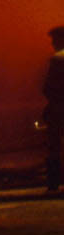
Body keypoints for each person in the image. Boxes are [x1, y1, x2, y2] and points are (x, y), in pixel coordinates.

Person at [43, 26, 64, 193]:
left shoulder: (57, 60)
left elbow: (48, 87)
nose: (52, 43)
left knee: (54, 146)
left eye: (54, 40)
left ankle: (54, 181)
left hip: (59, 108)